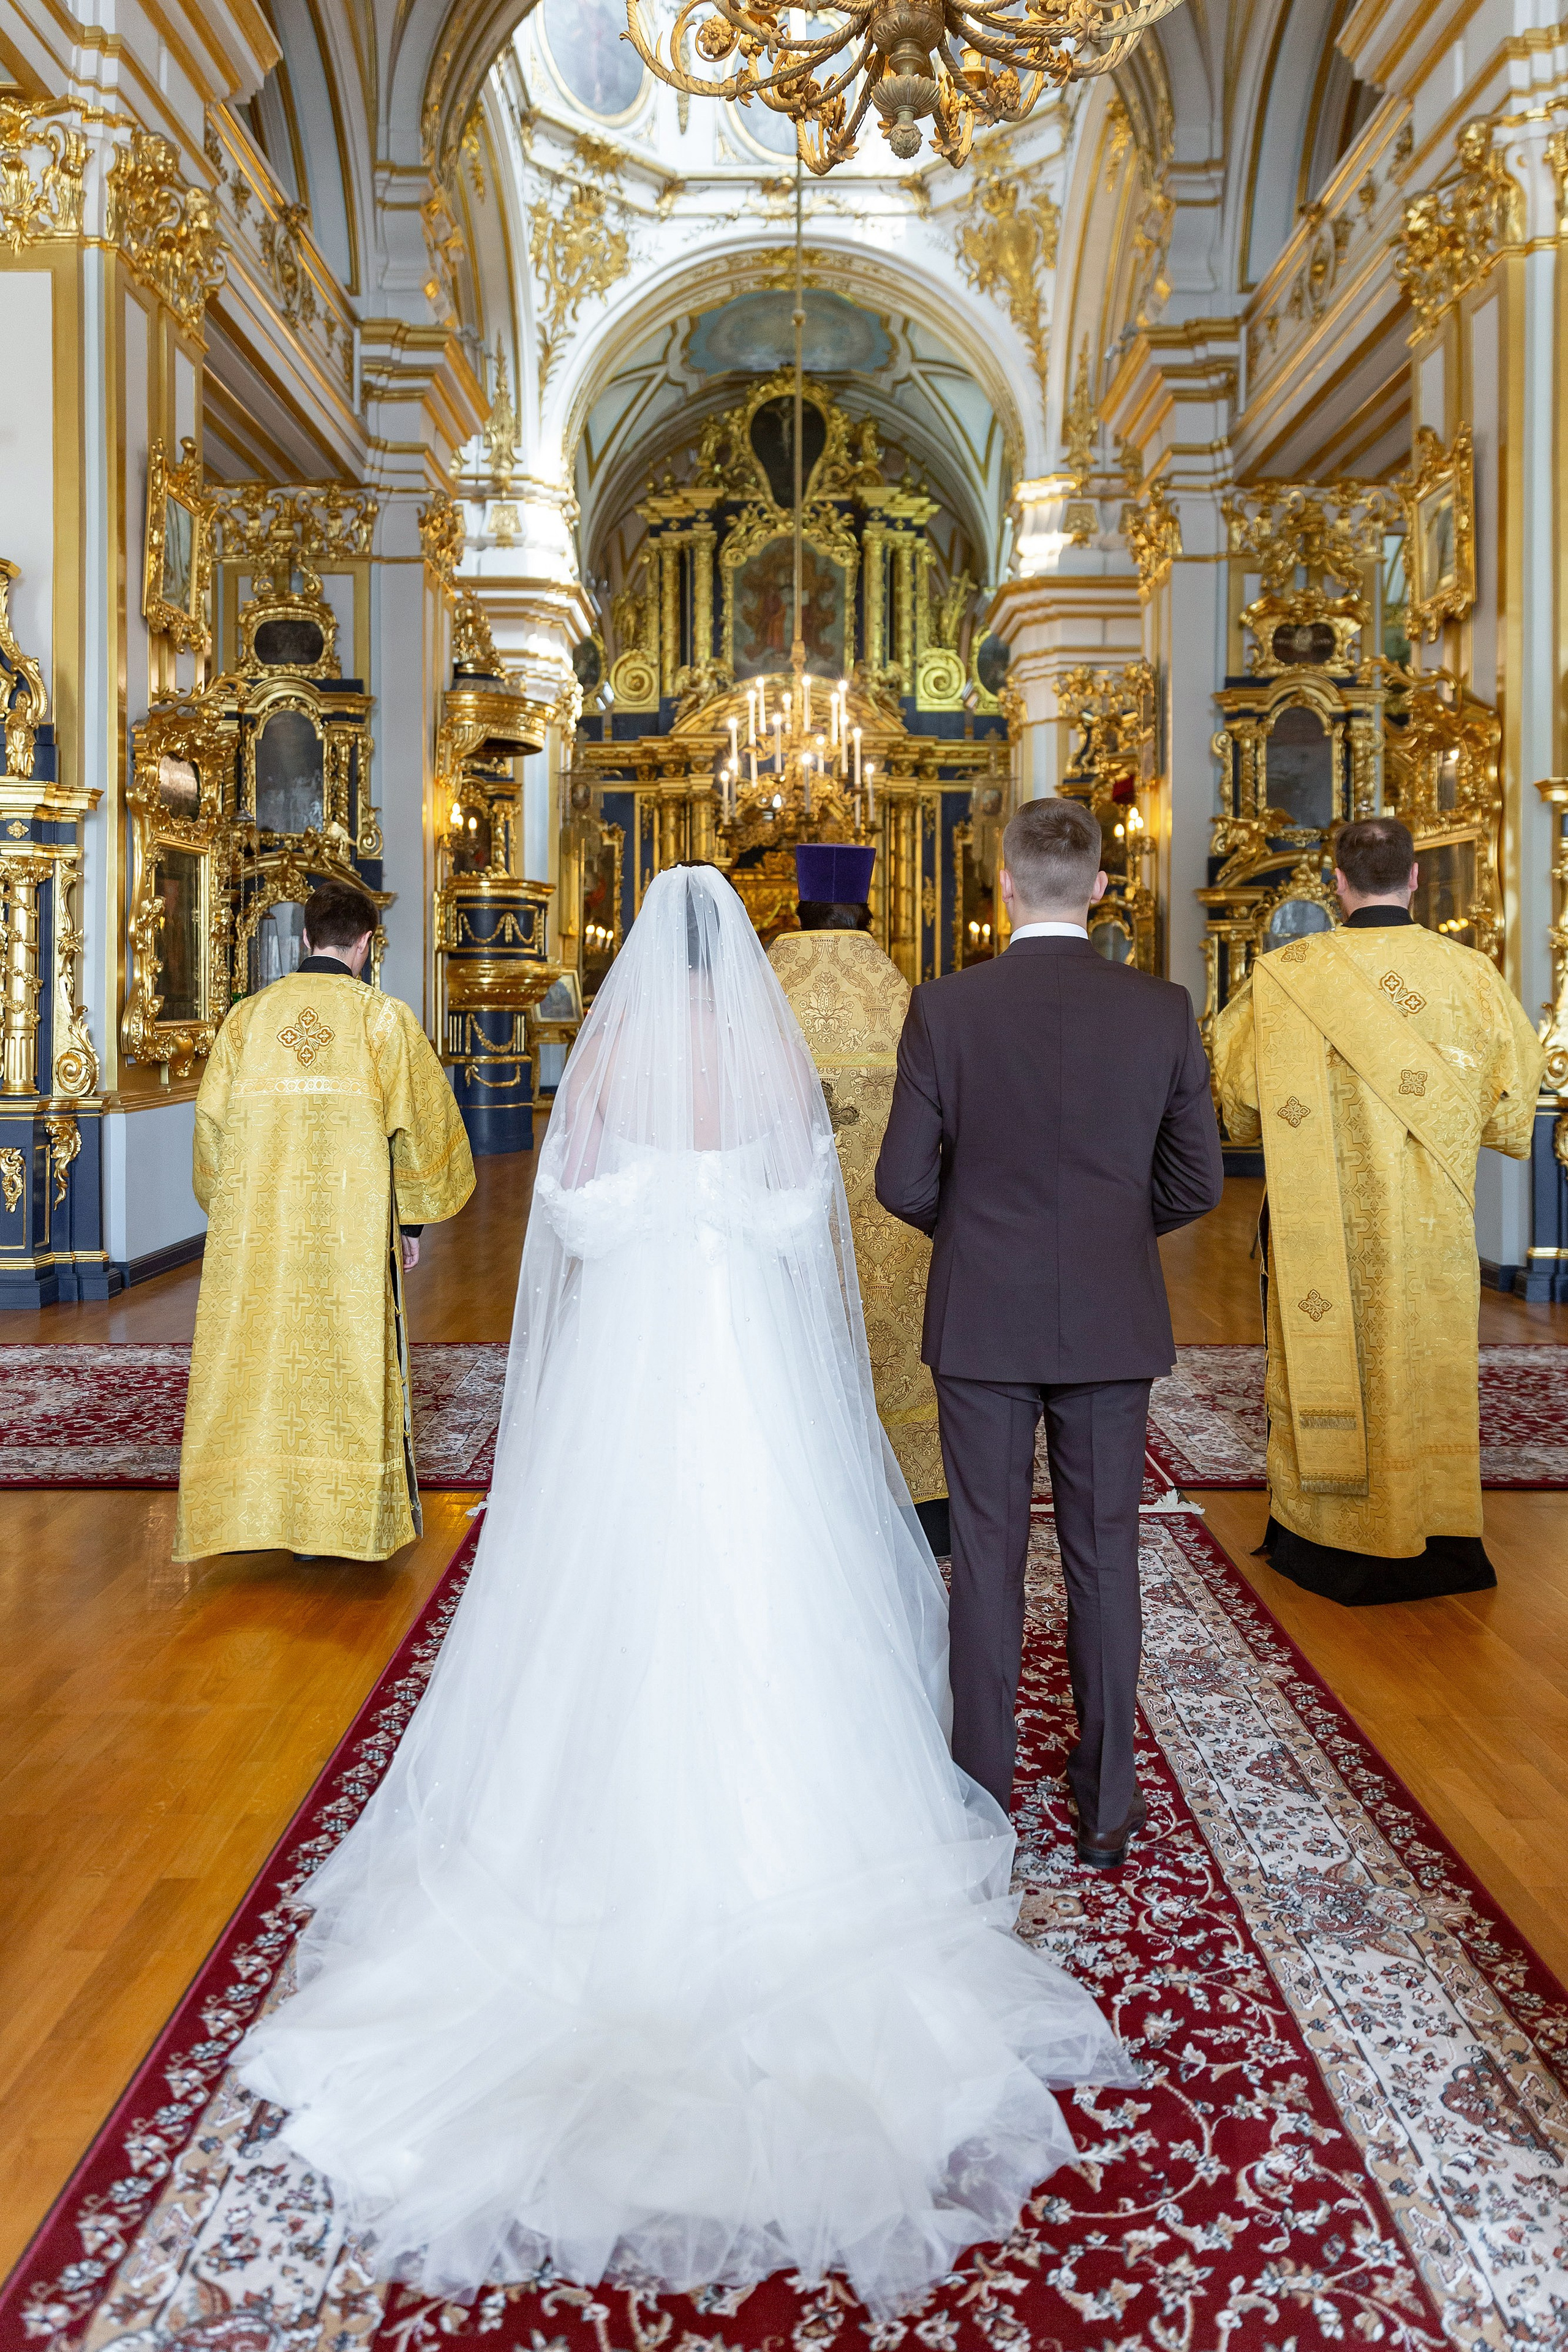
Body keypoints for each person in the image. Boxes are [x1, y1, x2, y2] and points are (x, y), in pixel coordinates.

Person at [235, 864, 1133, 2314]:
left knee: (596, 1594)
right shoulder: (764, 1058)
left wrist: (654, 1212)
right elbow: (797, 1223)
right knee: (773, 1583)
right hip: (743, 1364)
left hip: (626, 1369)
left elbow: (570, 1219)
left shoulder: (609, 1061)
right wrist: (719, 1217)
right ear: (741, 964)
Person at [875, 798, 1223, 1866]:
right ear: (1103, 891)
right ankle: (1107, 1805)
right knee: (1104, 1555)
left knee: (986, 1557)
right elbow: (1198, 1182)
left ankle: (983, 1795)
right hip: (1113, 1317)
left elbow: (900, 1182)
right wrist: (1109, 1236)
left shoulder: (946, 1007)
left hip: (983, 1315)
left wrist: (983, 1234)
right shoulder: (1163, 1008)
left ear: (1006, 885)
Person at [1212, 815, 1545, 1605]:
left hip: (1318, 1227)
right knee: (1428, 1363)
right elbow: (1511, 1109)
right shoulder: (1470, 974)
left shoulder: (1287, 976)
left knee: (1332, 1360)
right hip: (1432, 1227)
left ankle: (1326, 1538)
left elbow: (1238, 1108)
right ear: (1415, 878)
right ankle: (1439, 1535)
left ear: (1337, 882)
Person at [173, 880, 475, 1566]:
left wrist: (235, 1214)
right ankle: (342, 1523)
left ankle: (258, 1511)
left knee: (260, 1360)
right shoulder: (383, 1021)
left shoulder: (246, 1021)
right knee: (347, 1360)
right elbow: (424, 1132)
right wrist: (411, 1225)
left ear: (306, 937)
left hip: (260, 1233)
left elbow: (210, 1135)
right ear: (366, 944)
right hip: (352, 1234)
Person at [769, 840, 949, 1554]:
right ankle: (919, 1502)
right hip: (894, 1211)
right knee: (896, 1332)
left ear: (799, 906)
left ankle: (800, 1489)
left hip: (788, 1205)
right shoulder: (904, 995)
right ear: (866, 907)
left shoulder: (764, 989)